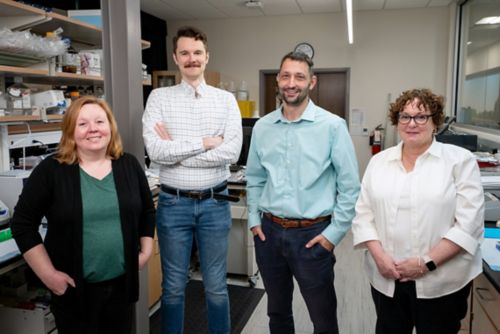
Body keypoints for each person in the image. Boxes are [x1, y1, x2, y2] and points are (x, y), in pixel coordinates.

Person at [11, 96, 156, 334]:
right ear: (70, 131)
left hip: (122, 287)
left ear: (110, 126)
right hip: (74, 290)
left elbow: (148, 211)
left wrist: (146, 250)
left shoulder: (128, 165)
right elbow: (23, 225)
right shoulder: (51, 171)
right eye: (83, 124)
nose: (93, 129)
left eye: (99, 121)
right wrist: (49, 276)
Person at [352, 88, 484, 334]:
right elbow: (363, 215)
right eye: (405, 116)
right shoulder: (379, 162)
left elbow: (469, 225)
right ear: (397, 121)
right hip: (387, 277)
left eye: (421, 117)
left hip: (441, 281)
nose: (412, 123)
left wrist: (425, 263)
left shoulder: (460, 161)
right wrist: (380, 258)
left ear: (435, 122)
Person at [246, 51, 360, 334]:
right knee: (277, 313)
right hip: (269, 234)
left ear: (312, 82)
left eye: (299, 76)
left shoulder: (332, 126)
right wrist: (253, 220)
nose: (291, 83)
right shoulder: (263, 127)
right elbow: (255, 178)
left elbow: (350, 187)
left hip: (312, 236)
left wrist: (333, 236)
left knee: (322, 319)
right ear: (278, 81)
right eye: (285, 76)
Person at [142, 26, 242, 334]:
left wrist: (177, 151)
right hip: (173, 204)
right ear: (175, 57)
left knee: (216, 287)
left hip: (214, 202)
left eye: (197, 53)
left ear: (207, 56)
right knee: (173, 287)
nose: (191, 59)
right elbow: (155, 150)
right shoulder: (159, 98)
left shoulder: (225, 100)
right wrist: (205, 141)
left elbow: (231, 151)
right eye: (184, 53)